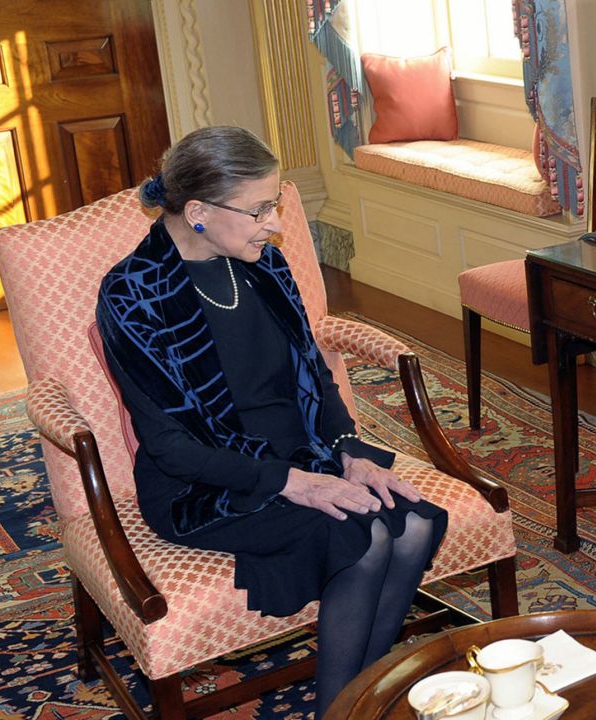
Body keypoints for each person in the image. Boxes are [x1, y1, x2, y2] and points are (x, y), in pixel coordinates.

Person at [95, 126, 446, 717]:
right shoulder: (133, 294)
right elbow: (170, 445)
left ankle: (359, 701)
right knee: (366, 537)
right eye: (259, 210)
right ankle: (342, 711)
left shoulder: (264, 265)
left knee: (412, 527)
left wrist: (347, 449)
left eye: (274, 206)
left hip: (299, 451)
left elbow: (315, 373)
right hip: (205, 481)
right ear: (199, 211)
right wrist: (296, 483)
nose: (275, 224)